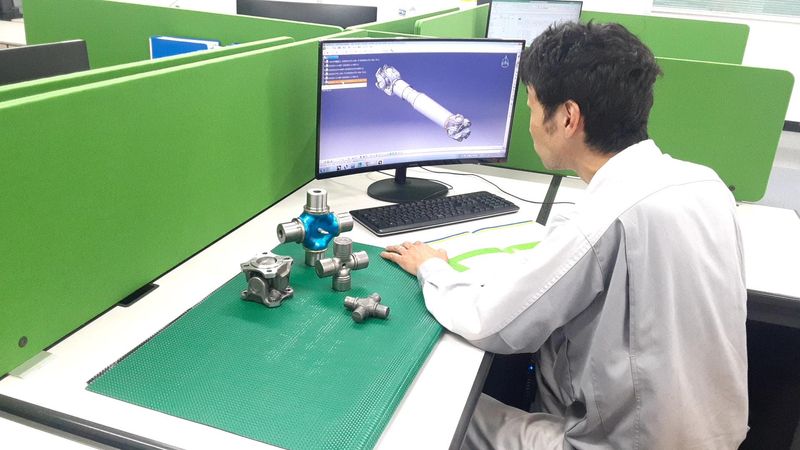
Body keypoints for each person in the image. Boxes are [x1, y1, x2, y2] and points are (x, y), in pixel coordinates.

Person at [381, 21, 748, 449]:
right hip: (717, 435)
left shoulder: (601, 220)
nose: (531, 125)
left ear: (568, 118)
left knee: (430, 409)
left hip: (626, 444)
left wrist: (433, 269)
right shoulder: (704, 183)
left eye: (533, 108)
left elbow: (489, 323)